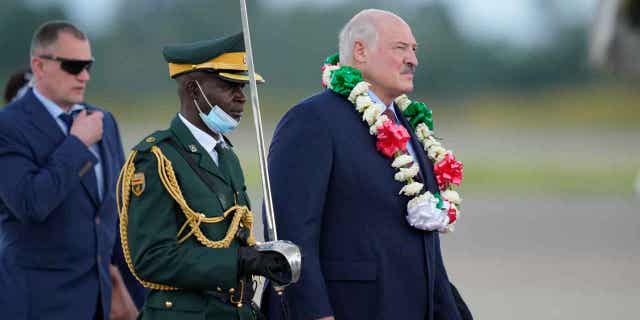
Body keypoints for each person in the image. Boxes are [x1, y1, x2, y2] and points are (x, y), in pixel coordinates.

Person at [262, 9, 473, 320]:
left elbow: (426, 247)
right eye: (400, 48)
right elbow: (290, 232)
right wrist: (315, 314)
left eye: (414, 50)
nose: (412, 59)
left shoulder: (410, 127)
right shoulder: (313, 121)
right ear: (360, 51)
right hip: (349, 308)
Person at [117, 32, 290, 320]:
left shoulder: (227, 156)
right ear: (193, 90)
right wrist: (238, 262)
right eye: (229, 86)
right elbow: (151, 259)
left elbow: (231, 237)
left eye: (242, 87)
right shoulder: (156, 159)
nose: (241, 97)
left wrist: (262, 257)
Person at [0, 21, 143, 319]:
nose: (84, 76)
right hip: (36, 305)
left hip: (97, 305)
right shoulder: (9, 126)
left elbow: (114, 219)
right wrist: (77, 144)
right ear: (39, 66)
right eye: (72, 66)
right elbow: (30, 204)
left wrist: (137, 298)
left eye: (87, 65)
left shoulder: (103, 121)